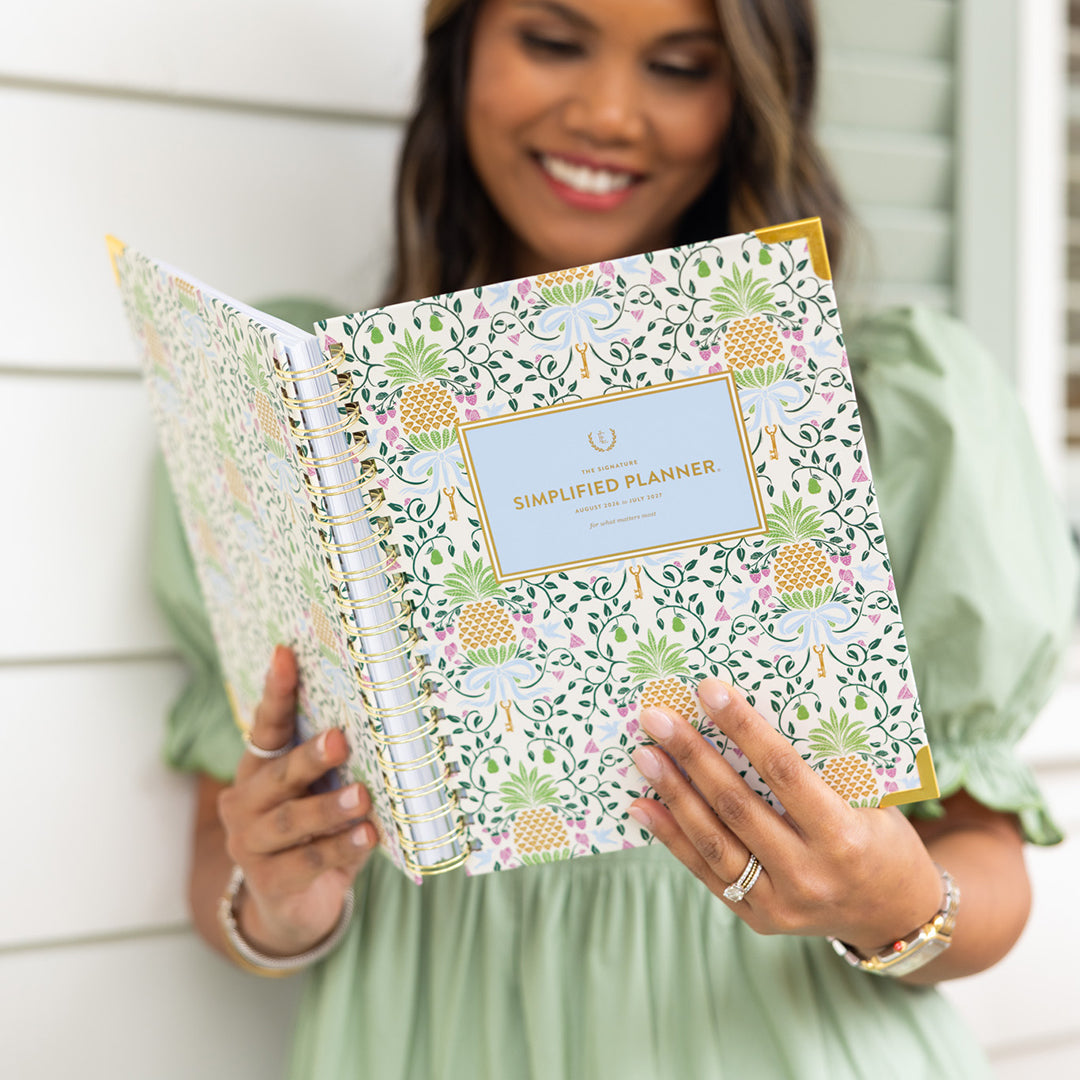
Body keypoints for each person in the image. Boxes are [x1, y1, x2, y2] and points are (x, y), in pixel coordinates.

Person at [153, 0, 1078, 1076]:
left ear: (748, 95)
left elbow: (985, 856)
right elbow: (223, 853)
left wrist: (896, 900)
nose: (606, 112)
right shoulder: (301, 427)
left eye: (679, 66)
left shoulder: (890, 404)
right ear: (460, 50)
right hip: (429, 1036)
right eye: (553, 42)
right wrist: (278, 902)